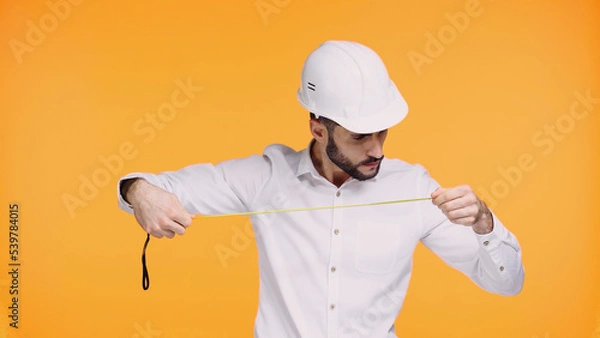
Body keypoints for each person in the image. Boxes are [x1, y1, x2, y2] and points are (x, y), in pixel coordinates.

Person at [117, 40, 524, 338]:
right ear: (318, 129)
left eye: (382, 133)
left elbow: (506, 284)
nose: (377, 149)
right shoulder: (266, 178)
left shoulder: (415, 189)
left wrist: (485, 223)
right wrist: (140, 193)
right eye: (360, 137)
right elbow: (151, 185)